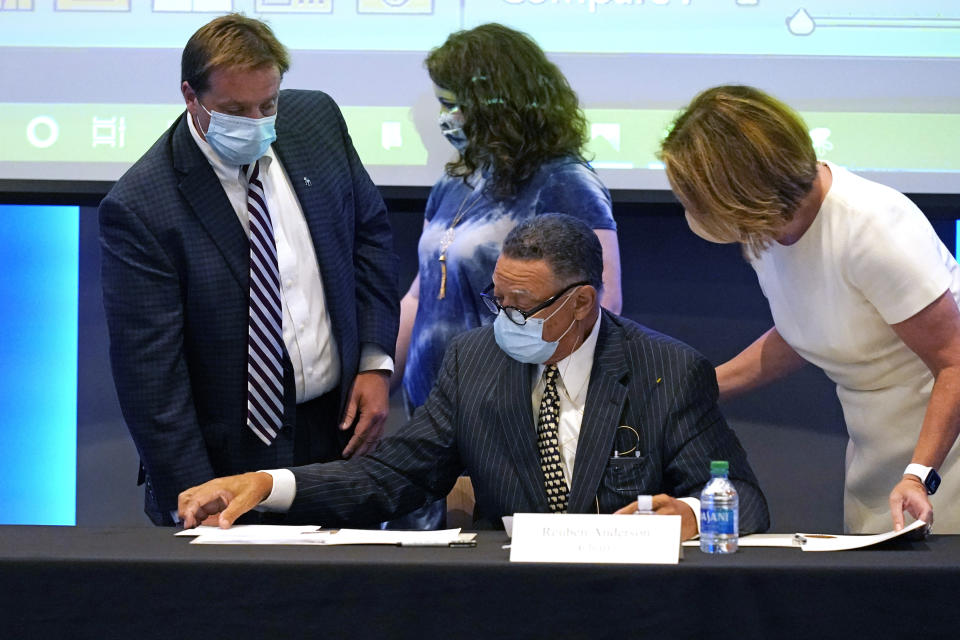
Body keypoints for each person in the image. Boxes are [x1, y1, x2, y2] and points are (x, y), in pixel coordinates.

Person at [178, 214, 770, 540]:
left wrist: (693, 514)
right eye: (498, 301)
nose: (505, 322)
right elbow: (391, 476)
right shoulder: (474, 361)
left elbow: (743, 498)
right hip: (504, 603)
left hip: (631, 605)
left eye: (524, 308)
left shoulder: (667, 371)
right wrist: (270, 483)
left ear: (583, 303)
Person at [99, 14, 400, 526]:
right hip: (225, 460)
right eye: (236, 110)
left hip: (334, 435)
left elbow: (368, 236)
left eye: (268, 104)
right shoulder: (142, 207)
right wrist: (193, 496)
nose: (258, 122)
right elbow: (151, 378)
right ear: (190, 96)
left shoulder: (316, 120)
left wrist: (374, 360)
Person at [659, 84, 960, 533]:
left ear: (744, 190)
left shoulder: (871, 228)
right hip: (875, 449)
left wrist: (919, 474)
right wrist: (698, 391)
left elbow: (954, 363)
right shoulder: (767, 229)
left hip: (943, 453)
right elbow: (807, 329)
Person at [389, 24, 622, 529]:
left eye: (456, 103)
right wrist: (377, 373)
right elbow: (421, 294)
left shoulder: (565, 182)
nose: (446, 118)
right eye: (441, 103)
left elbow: (602, 308)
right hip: (432, 415)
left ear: (500, 101)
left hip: (510, 417)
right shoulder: (457, 181)